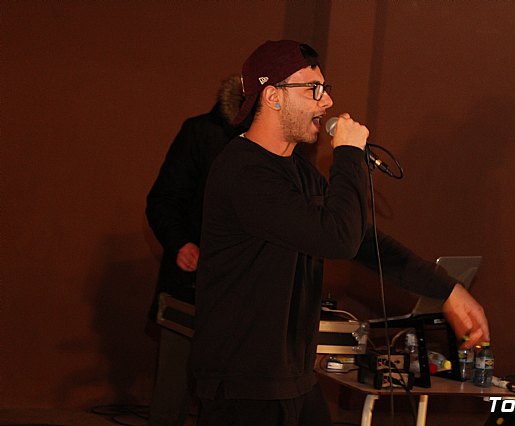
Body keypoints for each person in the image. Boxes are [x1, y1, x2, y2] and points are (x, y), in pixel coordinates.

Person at [192, 40, 490, 426]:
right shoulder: (242, 171)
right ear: (273, 96)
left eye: (325, 89)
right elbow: (338, 239)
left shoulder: (300, 174)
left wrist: (447, 290)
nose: (327, 101)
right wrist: (348, 154)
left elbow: (363, 241)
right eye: (313, 90)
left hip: (291, 378)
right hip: (242, 385)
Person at [145, 74, 248, 426]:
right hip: (190, 286)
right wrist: (181, 244)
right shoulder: (200, 133)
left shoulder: (280, 147)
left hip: (245, 290)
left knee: (230, 395)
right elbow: (163, 200)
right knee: (172, 387)